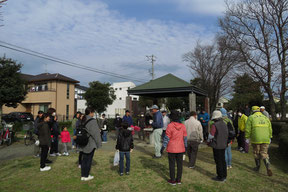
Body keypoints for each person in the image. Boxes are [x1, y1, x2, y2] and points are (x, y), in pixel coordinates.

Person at [161, 110, 187, 185]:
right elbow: (185, 137)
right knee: (180, 165)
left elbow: (167, 138)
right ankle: (178, 180)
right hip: (181, 147)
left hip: (172, 148)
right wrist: (185, 147)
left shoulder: (170, 126)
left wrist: (163, 147)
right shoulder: (182, 126)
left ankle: (172, 180)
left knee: (171, 165)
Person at [245, 106, 273, 176]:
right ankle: (268, 167)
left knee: (256, 153)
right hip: (266, 138)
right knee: (264, 153)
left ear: (252, 111)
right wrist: (270, 137)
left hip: (256, 138)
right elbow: (270, 128)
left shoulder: (251, 117)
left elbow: (248, 129)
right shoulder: (265, 118)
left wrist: (247, 138)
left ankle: (257, 167)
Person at [78, 107, 102, 181]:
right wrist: (99, 144)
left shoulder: (83, 119)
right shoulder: (92, 121)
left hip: (82, 142)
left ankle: (83, 175)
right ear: (91, 112)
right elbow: (96, 134)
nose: (93, 114)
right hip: (90, 143)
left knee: (84, 160)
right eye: (93, 112)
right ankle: (86, 175)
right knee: (88, 160)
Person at [207, 110, 228, 182]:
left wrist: (208, 140)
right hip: (224, 144)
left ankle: (220, 176)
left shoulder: (214, 125)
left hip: (217, 145)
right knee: (223, 160)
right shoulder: (225, 123)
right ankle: (224, 175)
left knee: (218, 161)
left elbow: (211, 136)